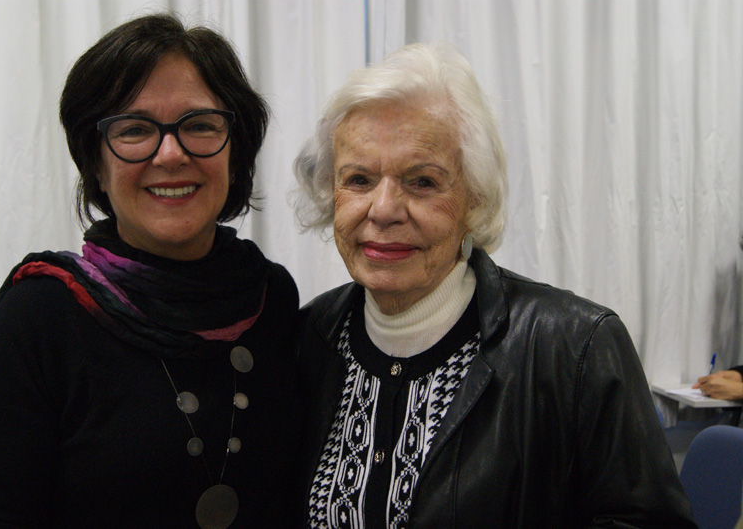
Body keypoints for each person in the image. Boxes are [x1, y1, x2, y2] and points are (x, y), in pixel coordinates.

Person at [291, 41, 696, 528]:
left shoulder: (575, 348)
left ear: (475, 199)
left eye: (422, 181)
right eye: (359, 180)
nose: (384, 210)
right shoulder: (307, 340)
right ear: (330, 194)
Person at [0, 14, 299, 529]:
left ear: (235, 149)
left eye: (200, 124)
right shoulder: (39, 317)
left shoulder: (272, 298)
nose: (171, 154)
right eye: (135, 129)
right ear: (96, 163)